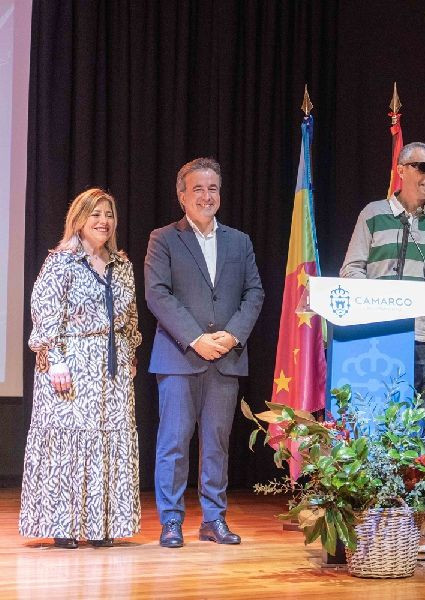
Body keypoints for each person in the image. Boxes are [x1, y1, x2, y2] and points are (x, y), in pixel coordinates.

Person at [145, 157, 264, 548]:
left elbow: (255, 293)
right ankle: (172, 521)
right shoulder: (163, 238)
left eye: (212, 188)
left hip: (226, 358)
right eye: (197, 189)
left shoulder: (239, 241)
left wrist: (231, 336)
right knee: (174, 443)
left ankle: (214, 519)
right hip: (180, 357)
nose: (206, 195)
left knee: (217, 443)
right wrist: (196, 338)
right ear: (182, 196)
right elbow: (157, 294)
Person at [20, 188, 141, 548]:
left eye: (109, 214)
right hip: (71, 363)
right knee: (68, 442)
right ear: (79, 219)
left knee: (109, 438)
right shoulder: (61, 262)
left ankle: (103, 525)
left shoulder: (122, 265)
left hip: (112, 368)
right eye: (96, 215)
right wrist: (54, 358)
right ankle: (64, 525)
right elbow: (45, 312)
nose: (104, 221)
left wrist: (131, 352)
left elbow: (130, 317)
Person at [340, 142, 425, 393]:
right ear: (401, 170)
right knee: (373, 418)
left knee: (417, 426)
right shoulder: (373, 213)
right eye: (423, 168)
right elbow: (351, 269)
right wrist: (375, 304)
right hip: (377, 333)